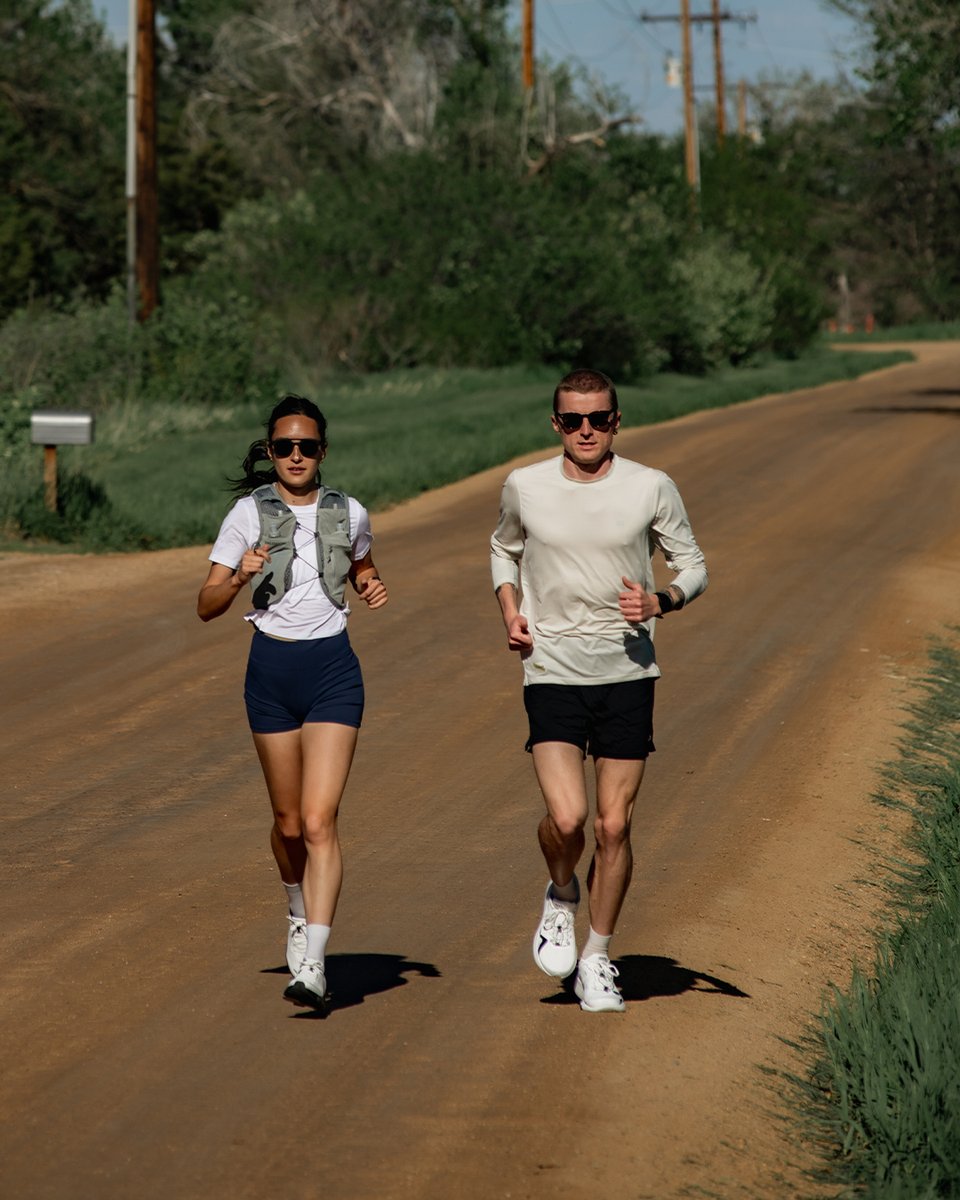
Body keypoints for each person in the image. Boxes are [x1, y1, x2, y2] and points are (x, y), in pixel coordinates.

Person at [490, 369, 707, 1012]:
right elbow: (503, 550)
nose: (586, 430)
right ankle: (562, 893)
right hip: (552, 668)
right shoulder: (525, 485)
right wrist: (510, 610)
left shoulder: (650, 485)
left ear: (617, 420)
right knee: (568, 819)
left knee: (614, 825)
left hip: (628, 672)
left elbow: (693, 565)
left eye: (599, 419)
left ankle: (596, 958)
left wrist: (662, 600)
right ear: (556, 423)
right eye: (573, 420)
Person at [197, 394, 388, 1012]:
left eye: (307, 447)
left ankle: (314, 963)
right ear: (271, 451)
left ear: (323, 451)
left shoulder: (350, 511)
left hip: (333, 672)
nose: (296, 456)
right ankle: (296, 906)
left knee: (318, 821)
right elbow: (205, 605)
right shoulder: (246, 514)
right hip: (271, 674)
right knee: (287, 825)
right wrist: (238, 575)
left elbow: (362, 564)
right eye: (284, 447)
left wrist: (369, 582)